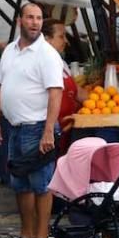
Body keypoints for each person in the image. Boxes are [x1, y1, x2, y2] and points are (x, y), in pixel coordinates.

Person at [0, 3, 64, 238]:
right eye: (30, 18)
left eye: (39, 18)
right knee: (20, 184)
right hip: (14, 127)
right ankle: (25, 237)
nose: (34, 22)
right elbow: (0, 86)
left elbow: (56, 93)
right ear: (20, 20)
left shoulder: (46, 53)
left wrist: (47, 131)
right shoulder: (10, 50)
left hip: (37, 127)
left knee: (42, 185)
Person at [42, 19, 87, 154]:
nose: (66, 41)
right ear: (47, 40)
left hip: (66, 130)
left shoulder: (62, 63)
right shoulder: (41, 64)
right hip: (50, 133)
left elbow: (78, 92)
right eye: (61, 36)